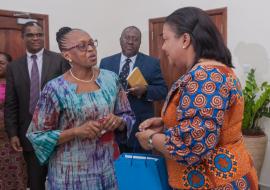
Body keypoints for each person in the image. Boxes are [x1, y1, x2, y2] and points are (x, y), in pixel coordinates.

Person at [136, 7, 258, 189]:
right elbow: (207, 122)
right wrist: (166, 123)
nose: (163, 47)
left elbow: (192, 146)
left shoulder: (205, 77)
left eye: (166, 39)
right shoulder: (212, 72)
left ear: (185, 39)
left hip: (215, 182)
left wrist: (152, 139)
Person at [26, 27, 134, 190]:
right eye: (82, 46)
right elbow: (37, 136)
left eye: (92, 43)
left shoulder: (110, 79)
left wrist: (118, 121)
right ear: (67, 55)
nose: (90, 49)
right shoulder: (55, 88)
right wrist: (76, 132)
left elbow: (128, 115)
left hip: (107, 170)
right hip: (70, 176)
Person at [4, 21, 70, 190]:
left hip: (58, 132)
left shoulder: (59, 61)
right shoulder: (13, 67)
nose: (36, 38)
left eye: (39, 34)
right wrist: (12, 133)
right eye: (31, 35)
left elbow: (69, 97)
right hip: (29, 134)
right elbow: (11, 103)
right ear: (23, 37)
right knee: (35, 182)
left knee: (62, 181)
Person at [100, 26, 167, 153]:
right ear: (120, 40)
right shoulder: (106, 63)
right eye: (127, 38)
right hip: (112, 124)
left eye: (135, 39)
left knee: (138, 167)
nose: (130, 42)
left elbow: (162, 90)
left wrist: (145, 90)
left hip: (139, 126)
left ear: (140, 42)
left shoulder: (152, 63)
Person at [0, 52, 27, 190]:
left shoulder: (17, 81)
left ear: (10, 65)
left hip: (12, 136)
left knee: (15, 168)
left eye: (2, 63)